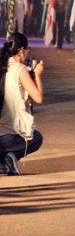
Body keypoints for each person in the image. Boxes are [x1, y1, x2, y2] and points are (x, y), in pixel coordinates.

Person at [0, 33, 44, 175]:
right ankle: (10, 157)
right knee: (37, 138)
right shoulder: (20, 69)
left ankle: (4, 161)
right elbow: (38, 97)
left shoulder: (3, 66)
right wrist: (37, 74)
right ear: (21, 50)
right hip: (8, 137)